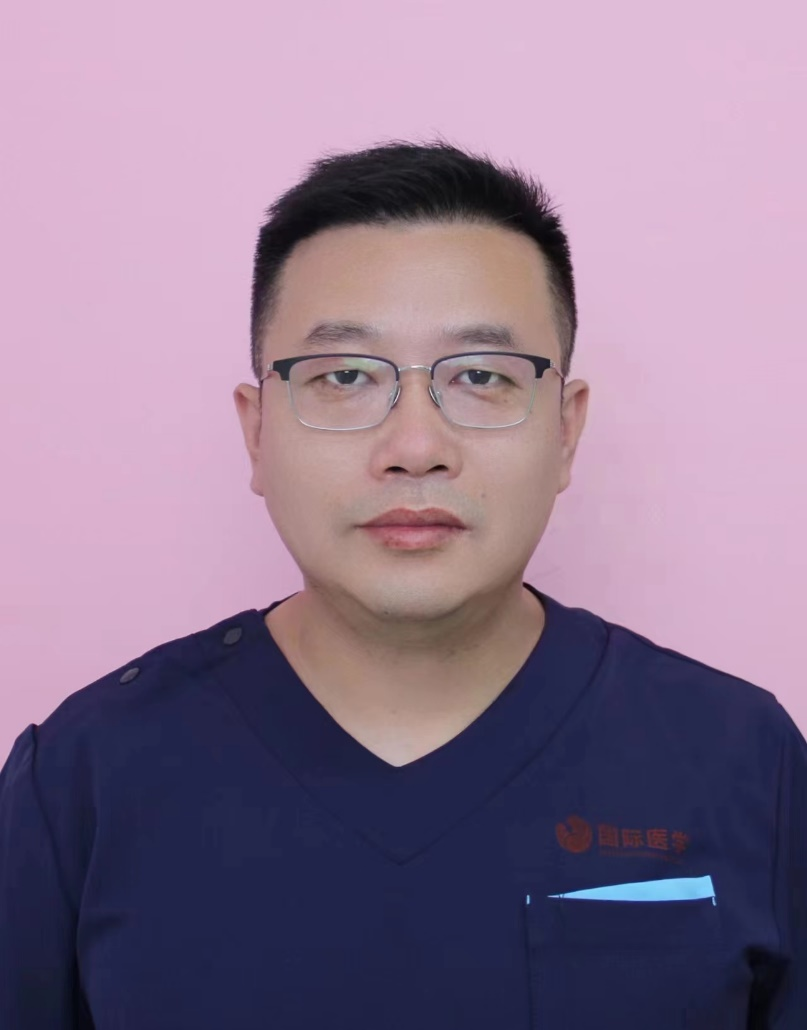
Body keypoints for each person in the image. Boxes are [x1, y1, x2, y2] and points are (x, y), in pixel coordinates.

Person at [1, 139, 804, 1030]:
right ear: (256, 432)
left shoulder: (743, 760)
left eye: (481, 376)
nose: (415, 447)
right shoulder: (85, 776)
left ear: (565, 431)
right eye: (344, 376)